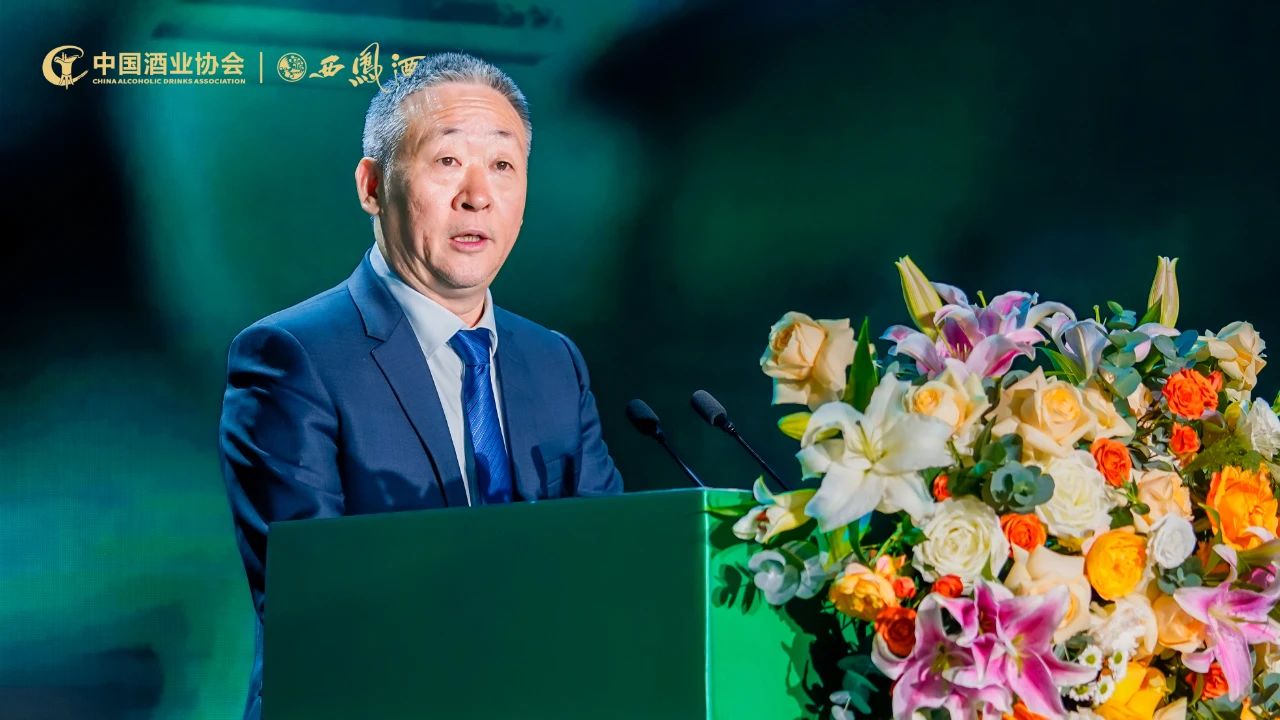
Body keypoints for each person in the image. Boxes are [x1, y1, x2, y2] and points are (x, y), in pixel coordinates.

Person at [217, 52, 623, 720]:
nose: (477, 194)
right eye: (447, 161)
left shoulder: (553, 362)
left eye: (503, 165)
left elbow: (615, 557)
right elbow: (315, 599)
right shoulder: (291, 357)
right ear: (372, 186)